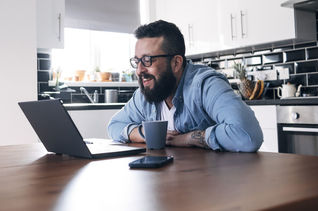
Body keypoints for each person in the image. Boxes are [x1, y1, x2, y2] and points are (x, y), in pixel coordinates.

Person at [107, 20, 263, 152]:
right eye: (137, 61)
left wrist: (189, 138)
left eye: (148, 60)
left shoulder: (205, 85)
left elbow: (248, 136)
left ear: (176, 63)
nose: (139, 70)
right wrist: (142, 133)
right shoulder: (147, 93)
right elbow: (114, 126)